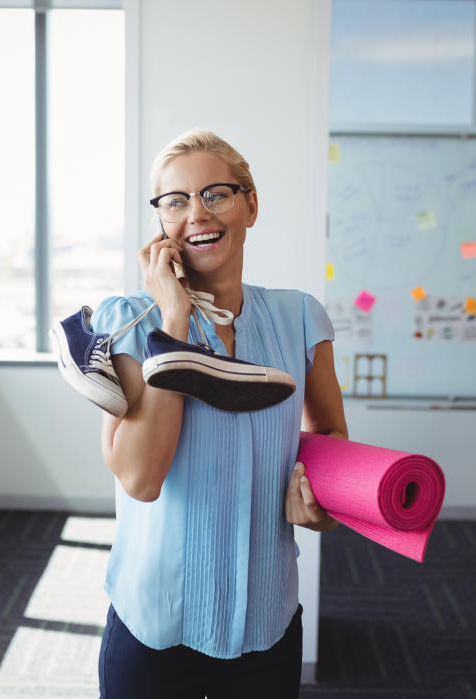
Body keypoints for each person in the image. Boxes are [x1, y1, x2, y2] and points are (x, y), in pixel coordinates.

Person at [88, 129, 348, 698]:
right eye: (174, 201)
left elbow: (329, 438)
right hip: (156, 623)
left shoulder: (299, 317)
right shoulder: (129, 321)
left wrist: (322, 504)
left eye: (216, 194)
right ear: (161, 222)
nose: (195, 214)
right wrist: (173, 317)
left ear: (250, 204)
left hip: (266, 619)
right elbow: (140, 478)